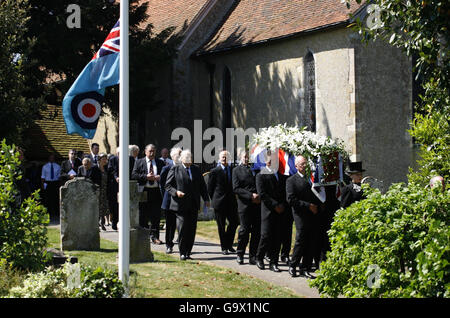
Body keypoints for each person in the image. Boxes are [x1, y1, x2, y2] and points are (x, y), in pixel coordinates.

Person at [165, 149, 210, 260]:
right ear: (182, 159)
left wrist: (206, 199)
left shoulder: (196, 169)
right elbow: (168, 185)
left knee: (192, 229)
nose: (189, 159)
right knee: (183, 228)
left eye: (190, 157)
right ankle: (182, 252)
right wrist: (176, 192)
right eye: (187, 157)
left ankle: (188, 252)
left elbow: (202, 186)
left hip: (193, 204)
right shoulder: (175, 169)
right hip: (180, 204)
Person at [286, 155, 321, 279]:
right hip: (300, 214)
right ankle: (293, 265)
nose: (304, 166)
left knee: (311, 241)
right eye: (302, 164)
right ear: (296, 166)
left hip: (312, 214)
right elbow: (291, 199)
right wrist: (308, 205)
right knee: (300, 240)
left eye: (305, 164)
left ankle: (305, 268)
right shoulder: (291, 180)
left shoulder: (310, 179)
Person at [255, 150, 288, 273]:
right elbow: (262, 194)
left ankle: (274, 262)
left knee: (277, 237)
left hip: (280, 211)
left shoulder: (281, 176)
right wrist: (275, 205)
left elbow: (285, 193)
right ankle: (259, 257)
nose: (273, 162)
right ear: (266, 161)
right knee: (265, 236)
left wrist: (282, 205)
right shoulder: (260, 175)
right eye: (270, 160)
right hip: (268, 210)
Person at [131, 144, 165, 244]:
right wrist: (146, 177)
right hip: (144, 191)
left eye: (153, 151)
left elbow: (165, 175)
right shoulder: (139, 162)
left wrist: (159, 177)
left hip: (156, 192)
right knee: (143, 215)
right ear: (145, 152)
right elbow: (134, 175)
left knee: (156, 216)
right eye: (150, 151)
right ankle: (144, 236)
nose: (152, 153)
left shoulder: (160, 162)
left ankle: (155, 237)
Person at [208, 150, 239, 255]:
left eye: (226, 157)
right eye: (222, 157)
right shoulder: (214, 171)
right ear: (219, 158)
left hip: (231, 202)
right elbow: (210, 189)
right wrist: (215, 200)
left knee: (234, 223)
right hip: (219, 202)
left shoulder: (233, 170)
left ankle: (229, 244)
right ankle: (224, 247)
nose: (224, 158)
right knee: (221, 226)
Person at [233, 149, 261, 265]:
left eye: (248, 157)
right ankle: (240, 253)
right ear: (240, 157)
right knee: (244, 231)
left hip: (257, 204)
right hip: (244, 205)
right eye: (244, 156)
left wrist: (259, 195)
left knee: (256, 231)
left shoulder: (256, 169)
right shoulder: (236, 170)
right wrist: (250, 196)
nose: (246, 158)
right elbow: (236, 188)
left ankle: (252, 255)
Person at [159, 147, 182, 254]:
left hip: (181, 201)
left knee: (182, 224)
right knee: (170, 225)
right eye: (179, 154)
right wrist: (166, 196)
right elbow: (163, 184)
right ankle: (169, 244)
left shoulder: (183, 168)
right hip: (169, 201)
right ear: (173, 156)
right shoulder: (167, 168)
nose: (181, 156)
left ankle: (183, 246)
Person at [41, 153, 61, 221]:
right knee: (48, 198)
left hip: (55, 183)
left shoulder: (58, 166)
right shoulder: (45, 166)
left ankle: (56, 213)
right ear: (49, 158)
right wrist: (43, 185)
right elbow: (43, 177)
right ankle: (48, 213)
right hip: (48, 183)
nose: (52, 159)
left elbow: (59, 176)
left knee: (55, 198)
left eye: (53, 157)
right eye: (51, 157)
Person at [108, 148, 119, 230]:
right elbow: (110, 170)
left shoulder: (128, 158)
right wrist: (116, 177)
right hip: (114, 185)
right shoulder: (112, 159)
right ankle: (114, 223)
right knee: (115, 205)